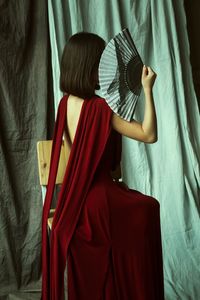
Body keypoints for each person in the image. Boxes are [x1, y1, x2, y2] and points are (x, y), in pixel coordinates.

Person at [42, 32, 164, 300]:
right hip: (97, 200)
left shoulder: (64, 104)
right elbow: (149, 134)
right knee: (149, 208)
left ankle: (117, 287)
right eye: (99, 64)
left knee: (137, 208)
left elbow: (80, 156)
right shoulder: (99, 109)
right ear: (88, 67)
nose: (103, 70)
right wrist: (147, 90)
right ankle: (132, 290)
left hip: (74, 199)